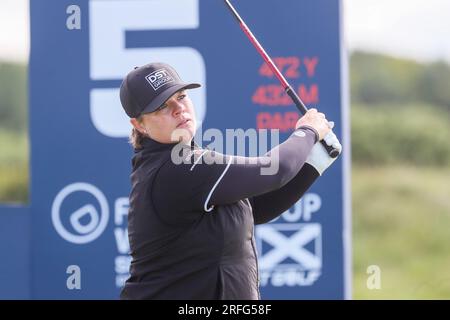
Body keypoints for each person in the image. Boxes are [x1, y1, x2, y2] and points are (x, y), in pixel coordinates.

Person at [119, 62, 342, 300]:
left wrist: (313, 165)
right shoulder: (177, 166)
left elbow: (254, 210)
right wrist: (308, 131)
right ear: (139, 125)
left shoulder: (176, 163)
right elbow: (275, 169)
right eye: (162, 106)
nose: (178, 109)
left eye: (181, 97)